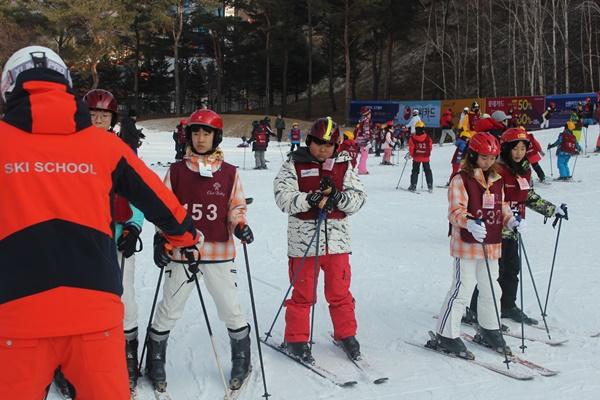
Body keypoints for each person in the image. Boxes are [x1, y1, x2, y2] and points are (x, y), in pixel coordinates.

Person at [0, 45, 201, 400]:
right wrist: (186, 237)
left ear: (8, 88)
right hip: (95, 312)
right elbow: (162, 203)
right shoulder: (105, 146)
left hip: (15, 314)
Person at [147, 109, 254, 392]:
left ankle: (242, 357)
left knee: (230, 307)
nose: (201, 138)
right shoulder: (176, 171)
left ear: (216, 137)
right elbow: (164, 209)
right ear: (189, 136)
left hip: (218, 252)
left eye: (207, 133)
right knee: (170, 307)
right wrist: (161, 238)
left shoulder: (229, 172)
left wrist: (240, 225)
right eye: (196, 132)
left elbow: (236, 206)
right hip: (183, 250)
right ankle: (155, 358)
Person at [273, 117, 366, 363]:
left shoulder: (344, 165)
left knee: (339, 292)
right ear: (309, 141)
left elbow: (358, 198)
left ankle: (346, 334)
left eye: (329, 145)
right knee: (303, 293)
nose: (324, 149)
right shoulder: (294, 164)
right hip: (304, 244)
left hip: (337, 244)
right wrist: (309, 199)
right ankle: (296, 338)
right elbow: (283, 197)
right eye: (319, 144)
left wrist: (338, 197)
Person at [430, 133, 521, 357]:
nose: (488, 162)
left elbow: (501, 206)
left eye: (492, 158)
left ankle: (490, 328)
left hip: (491, 243)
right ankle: (446, 334)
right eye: (484, 157)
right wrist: (469, 222)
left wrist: (511, 220)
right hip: (467, 244)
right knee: (463, 287)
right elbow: (455, 211)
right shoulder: (461, 179)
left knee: (492, 288)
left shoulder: (497, 179)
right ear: (473, 155)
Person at [466, 128, 568, 325]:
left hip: (514, 229)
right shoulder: (496, 169)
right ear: (506, 148)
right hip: (494, 229)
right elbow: (489, 198)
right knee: (492, 273)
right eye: (515, 148)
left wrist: (552, 210)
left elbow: (527, 196)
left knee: (512, 270)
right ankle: (476, 310)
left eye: (523, 148)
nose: (519, 153)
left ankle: (507, 305)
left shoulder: (524, 169)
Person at [84, 89, 146, 393]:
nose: (98, 120)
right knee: (81, 297)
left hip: (118, 234)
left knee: (124, 294)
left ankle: (127, 351)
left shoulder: (123, 152)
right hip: (82, 238)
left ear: (112, 119)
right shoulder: (69, 149)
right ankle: (77, 356)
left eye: (104, 115)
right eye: (92, 114)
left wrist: (134, 226)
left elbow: (140, 194)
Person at [407, 121, 433, 192]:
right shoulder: (427, 137)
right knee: (428, 171)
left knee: (415, 171)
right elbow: (430, 147)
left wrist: (412, 155)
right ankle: (430, 185)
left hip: (416, 157)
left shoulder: (412, 138)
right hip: (426, 157)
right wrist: (427, 153)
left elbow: (411, 148)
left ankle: (413, 185)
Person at [355, 106, 372, 175]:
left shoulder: (361, 120)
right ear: (367, 114)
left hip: (360, 139)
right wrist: (368, 141)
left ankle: (361, 167)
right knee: (364, 155)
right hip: (364, 140)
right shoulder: (366, 121)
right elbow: (366, 131)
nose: (370, 115)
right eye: (370, 113)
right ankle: (362, 170)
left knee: (363, 154)